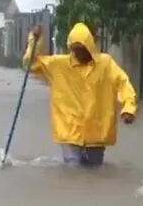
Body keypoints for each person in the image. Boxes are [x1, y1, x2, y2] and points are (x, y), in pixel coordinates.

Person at [23, 22, 137, 167]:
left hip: (97, 133)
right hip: (69, 132)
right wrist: (34, 40)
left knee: (95, 174)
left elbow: (123, 84)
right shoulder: (59, 65)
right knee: (72, 171)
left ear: (90, 46)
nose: (79, 53)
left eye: (82, 49)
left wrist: (128, 108)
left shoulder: (106, 64)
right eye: (75, 49)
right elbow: (30, 63)